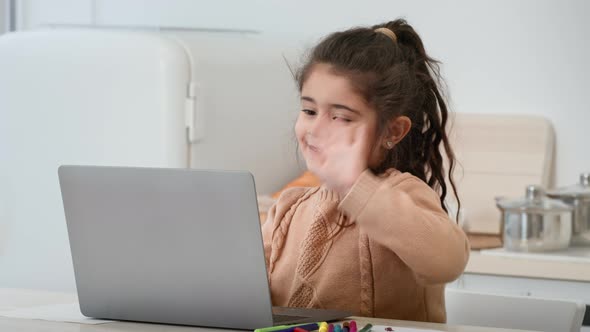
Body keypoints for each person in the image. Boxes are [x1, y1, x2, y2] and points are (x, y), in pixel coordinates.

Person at [261, 19, 469, 323]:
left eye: (341, 117)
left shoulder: (404, 195)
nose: (316, 129)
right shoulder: (288, 207)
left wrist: (354, 185)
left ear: (393, 131)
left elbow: (447, 262)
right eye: (309, 111)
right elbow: (249, 294)